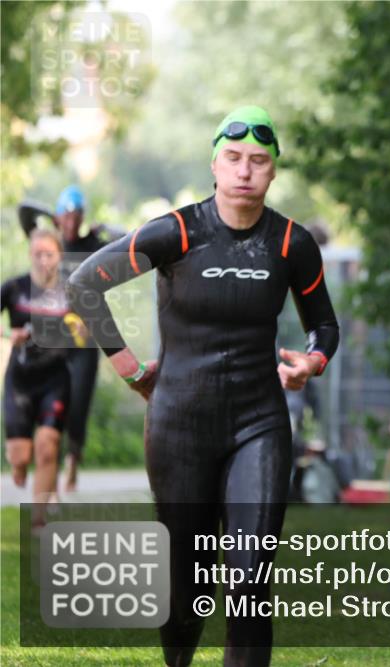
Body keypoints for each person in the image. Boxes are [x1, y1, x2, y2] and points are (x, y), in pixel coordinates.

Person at [67, 105, 340, 667]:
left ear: (272, 171)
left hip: (259, 423)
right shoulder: (177, 232)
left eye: (258, 161)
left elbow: (325, 325)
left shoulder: (291, 243)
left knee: (251, 581)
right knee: (188, 589)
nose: (245, 170)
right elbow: (84, 283)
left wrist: (312, 361)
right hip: (179, 425)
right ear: (215, 165)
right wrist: (130, 369)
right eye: (234, 158)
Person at [19, 185, 125, 491]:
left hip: (83, 342)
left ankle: (73, 459)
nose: (70, 220)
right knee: (50, 407)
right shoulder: (48, 243)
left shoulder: (94, 244)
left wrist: (103, 227)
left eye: (76, 215)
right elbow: (24, 212)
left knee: (77, 405)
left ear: (82, 216)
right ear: (58, 216)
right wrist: (49, 214)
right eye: (65, 214)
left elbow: (128, 239)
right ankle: (47, 466)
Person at [2, 229, 81, 529]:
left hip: (55, 379)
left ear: (60, 256)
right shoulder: (14, 288)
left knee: (48, 446)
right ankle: (19, 464)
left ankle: (38, 521)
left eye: (49, 254)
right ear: (29, 254)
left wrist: (75, 328)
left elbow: (87, 328)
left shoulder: (71, 292)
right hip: (19, 382)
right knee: (21, 457)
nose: (43, 260)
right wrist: (12, 335)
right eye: (37, 253)